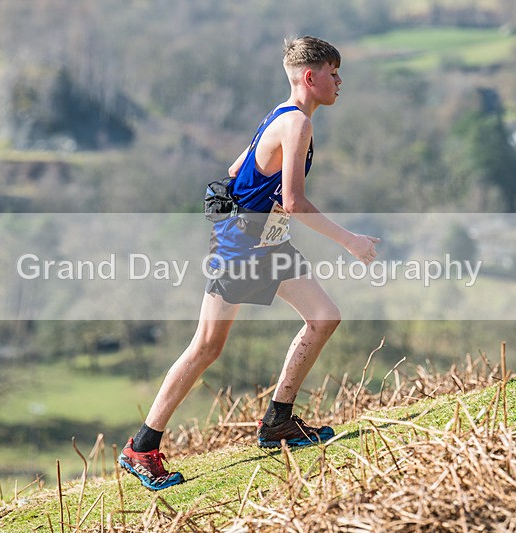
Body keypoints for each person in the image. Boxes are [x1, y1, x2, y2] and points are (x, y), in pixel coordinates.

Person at [119, 35, 380, 491]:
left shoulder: (281, 115)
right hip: (246, 248)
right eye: (334, 73)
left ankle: (278, 420)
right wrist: (350, 241)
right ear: (310, 77)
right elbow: (295, 202)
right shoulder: (296, 124)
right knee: (206, 347)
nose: (340, 82)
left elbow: (238, 164)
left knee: (324, 316)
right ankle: (142, 446)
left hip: (266, 242)